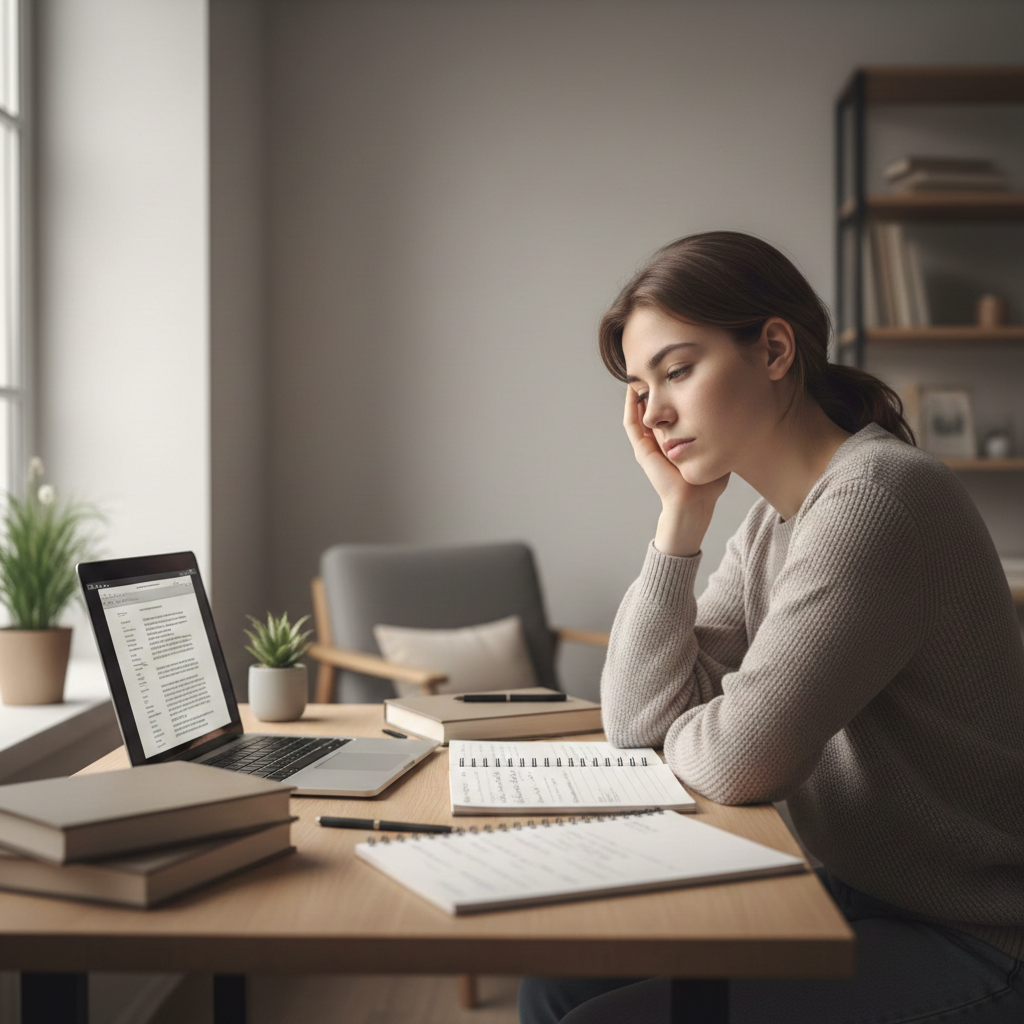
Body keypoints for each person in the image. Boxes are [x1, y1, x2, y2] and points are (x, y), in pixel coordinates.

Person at [519, 232, 1024, 1024]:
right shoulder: (770, 524)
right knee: (557, 981)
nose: (654, 413)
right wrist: (680, 519)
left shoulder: (876, 501)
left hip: (976, 932)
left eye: (677, 371)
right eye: (640, 389)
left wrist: (716, 726)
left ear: (776, 350)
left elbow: (741, 760)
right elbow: (635, 723)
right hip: (862, 892)